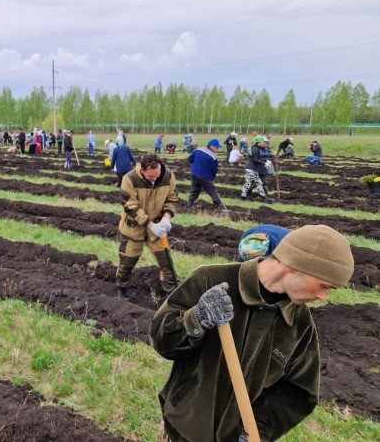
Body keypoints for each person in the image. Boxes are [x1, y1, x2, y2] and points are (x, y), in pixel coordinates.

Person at [150, 225, 354, 442]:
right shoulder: (209, 280)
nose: (324, 297)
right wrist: (196, 319)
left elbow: (298, 392)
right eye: (324, 285)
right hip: (183, 428)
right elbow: (163, 342)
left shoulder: (299, 324)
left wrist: (258, 430)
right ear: (294, 266)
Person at [115, 153, 179, 298]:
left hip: (157, 228)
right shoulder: (129, 179)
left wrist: (166, 218)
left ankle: (172, 294)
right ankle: (122, 289)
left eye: (157, 175)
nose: (155, 179)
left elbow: (172, 197)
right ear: (142, 170)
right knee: (127, 262)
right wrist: (150, 225)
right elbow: (130, 206)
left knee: (166, 262)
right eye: (151, 177)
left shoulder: (168, 176)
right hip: (133, 228)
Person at [185, 138, 228, 212]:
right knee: (213, 192)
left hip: (194, 174)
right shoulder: (213, 157)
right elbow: (214, 170)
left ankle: (188, 206)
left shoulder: (198, 150)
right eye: (217, 147)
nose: (217, 149)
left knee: (194, 191)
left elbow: (190, 159)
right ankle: (221, 208)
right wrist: (211, 178)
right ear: (212, 146)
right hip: (205, 177)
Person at [240, 135, 274, 203]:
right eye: (262, 142)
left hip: (252, 168)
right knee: (257, 183)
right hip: (251, 168)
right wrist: (264, 163)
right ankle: (264, 198)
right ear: (258, 142)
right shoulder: (254, 149)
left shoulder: (256, 148)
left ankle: (243, 197)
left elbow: (259, 158)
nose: (263, 143)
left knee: (249, 183)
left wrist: (266, 161)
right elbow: (255, 160)